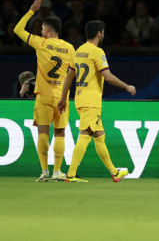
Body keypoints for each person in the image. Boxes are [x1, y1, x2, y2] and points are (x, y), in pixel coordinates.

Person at [57, 21, 136, 183]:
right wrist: (127, 87)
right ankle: (71, 174)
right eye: (103, 32)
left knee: (99, 136)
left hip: (80, 99)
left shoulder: (79, 51)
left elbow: (69, 77)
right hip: (91, 101)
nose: (103, 34)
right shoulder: (97, 52)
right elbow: (107, 76)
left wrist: (63, 98)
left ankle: (114, 172)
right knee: (85, 134)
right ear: (99, 33)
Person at [14, 0, 76, 182]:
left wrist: (31, 11)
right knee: (60, 133)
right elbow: (73, 74)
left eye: (42, 29)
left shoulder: (40, 43)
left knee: (43, 133)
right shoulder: (70, 48)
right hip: (61, 97)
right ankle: (57, 171)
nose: (41, 31)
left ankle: (44, 172)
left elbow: (17, 30)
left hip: (43, 96)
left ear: (47, 29)